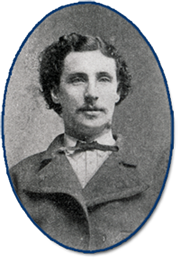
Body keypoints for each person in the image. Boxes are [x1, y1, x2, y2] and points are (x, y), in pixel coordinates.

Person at [9, 33, 168, 251]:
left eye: (103, 79)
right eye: (77, 79)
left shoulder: (160, 173)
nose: (91, 93)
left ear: (118, 91)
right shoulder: (18, 179)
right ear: (55, 92)